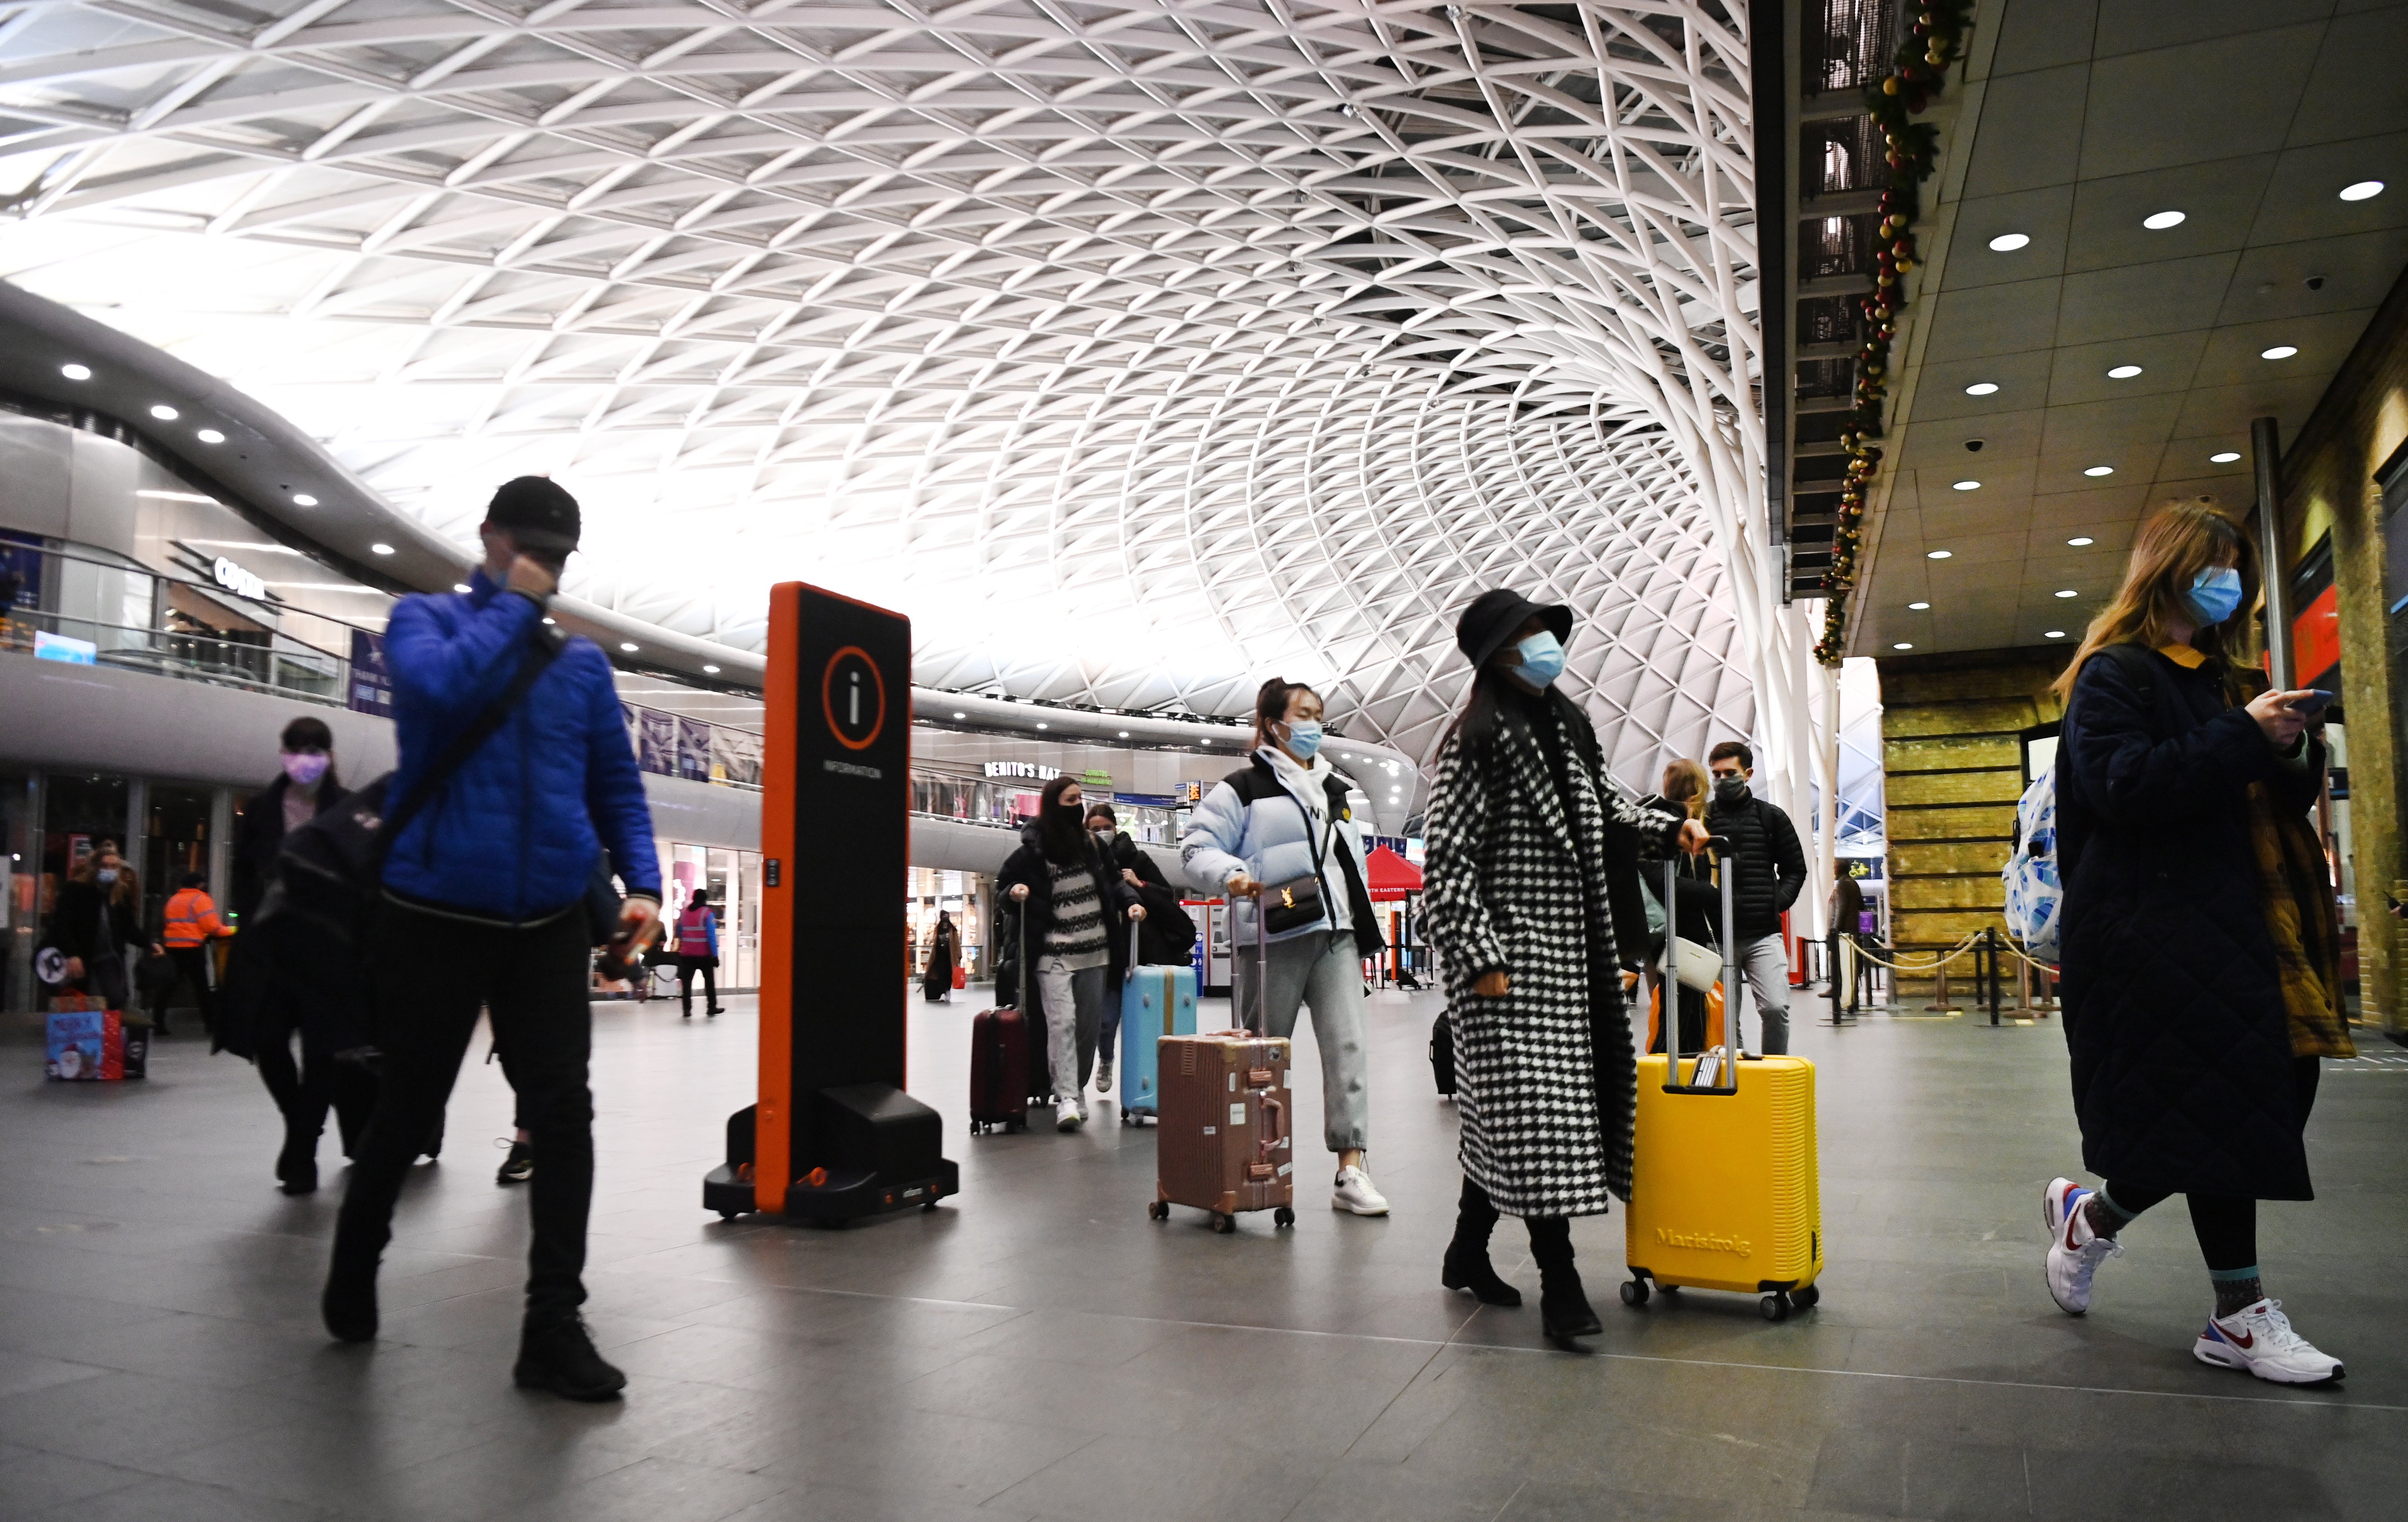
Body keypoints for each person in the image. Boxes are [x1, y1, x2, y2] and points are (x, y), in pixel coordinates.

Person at [323, 475, 661, 1404]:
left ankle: (552, 1322)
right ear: (491, 537)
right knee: (407, 1108)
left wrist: (642, 883)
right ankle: (356, 1263)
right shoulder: (423, 622)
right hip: (433, 910)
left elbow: (616, 787)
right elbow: (435, 696)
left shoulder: (582, 668)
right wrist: (512, 604)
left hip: (548, 918)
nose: (544, 568)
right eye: (530, 549)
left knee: (564, 1115)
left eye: (555, 558)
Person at [2041, 501, 2348, 1385]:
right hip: (2157, 931)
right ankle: (2238, 1312)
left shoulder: (2224, 675)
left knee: (2264, 1092)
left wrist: (2288, 747)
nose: (2229, 583)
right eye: (2215, 566)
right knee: (2229, 1101)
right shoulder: (2115, 675)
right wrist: (2240, 734)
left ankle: (2091, 1217)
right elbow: (2122, 784)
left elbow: (2272, 794)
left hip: (2254, 920)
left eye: (2237, 569)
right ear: (2168, 569)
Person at [1421, 590, 1709, 1346]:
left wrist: (1671, 824)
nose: (1543, 642)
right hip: (1507, 965)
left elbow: (1609, 803)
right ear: (1495, 654)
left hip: (1571, 959)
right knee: (1538, 1117)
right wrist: (1479, 957)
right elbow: (1446, 860)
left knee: (1518, 1122)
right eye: (1524, 634)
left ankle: (1463, 1252)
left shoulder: (1565, 726)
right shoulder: (1474, 740)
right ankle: (1561, 1282)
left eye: (1542, 629)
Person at [1183, 679, 1391, 1215]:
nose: (1313, 724)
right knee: (1260, 1057)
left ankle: (1350, 1169)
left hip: (1335, 934)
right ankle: (1247, 1163)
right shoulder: (1242, 788)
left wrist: (1358, 922)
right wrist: (1231, 873)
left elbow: (1350, 866)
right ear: (1272, 723)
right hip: (1273, 935)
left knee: (1347, 1051)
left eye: (1319, 714)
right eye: (1303, 714)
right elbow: (1195, 848)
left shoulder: (1335, 790)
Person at [229, 717, 368, 1194]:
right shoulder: (261, 811)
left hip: (328, 952)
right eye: (298, 747)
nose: (306, 757)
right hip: (272, 949)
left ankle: (303, 1152)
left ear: (329, 755)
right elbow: (243, 880)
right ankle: (300, 1128)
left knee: (321, 1054)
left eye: (316, 748)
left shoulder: (348, 809)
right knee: (267, 1041)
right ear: (283, 751)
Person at [998, 775, 1144, 1132]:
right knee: (1061, 1023)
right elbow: (1004, 885)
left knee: (1087, 1028)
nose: (1077, 804)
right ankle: (1066, 1097)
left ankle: (1076, 1087)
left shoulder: (1092, 845)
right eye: (1070, 799)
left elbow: (1114, 882)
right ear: (1053, 804)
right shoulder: (1033, 851)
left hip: (1095, 951)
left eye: (1080, 798)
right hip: (1052, 954)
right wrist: (1015, 892)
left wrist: (1132, 903)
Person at [1702, 740, 1808, 1055]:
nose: (1721, 780)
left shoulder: (1770, 817)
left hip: (1762, 932)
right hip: (1716, 937)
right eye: (1716, 774)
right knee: (1723, 1016)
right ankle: (1733, 1077)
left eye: (1729, 773)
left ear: (1747, 773)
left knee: (1776, 1008)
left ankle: (1773, 1070)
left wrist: (1774, 903)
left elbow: (1795, 869)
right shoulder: (1703, 819)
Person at [1086, 803, 1197, 1093]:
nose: (1101, 833)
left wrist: (1139, 883)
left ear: (1115, 827)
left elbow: (1165, 894)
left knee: (1147, 1021)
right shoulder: (1087, 862)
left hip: (1143, 955)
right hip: (1106, 954)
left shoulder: (1137, 857)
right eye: (1095, 829)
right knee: (1107, 1021)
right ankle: (1106, 1060)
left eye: (1105, 827)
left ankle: (1149, 1077)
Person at [1636, 758, 1719, 1054]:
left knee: (1675, 1004)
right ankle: (1676, 1066)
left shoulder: (1649, 816)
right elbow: (1661, 879)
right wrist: (1712, 895)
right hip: (1674, 927)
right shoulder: (1670, 823)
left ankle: (1674, 1062)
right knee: (1683, 1006)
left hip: (1661, 928)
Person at [46, 841, 144, 1012]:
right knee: (86, 998)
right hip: (83, 954)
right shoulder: (76, 889)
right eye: (105, 866)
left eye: (114, 866)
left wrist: (149, 943)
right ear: (95, 867)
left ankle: (107, 1035)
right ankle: (89, 1035)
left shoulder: (119, 892)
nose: (109, 870)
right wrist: (72, 953)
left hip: (109, 956)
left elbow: (128, 927)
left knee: (116, 998)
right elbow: (62, 924)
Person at [158, 871, 233, 1037]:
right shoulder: (200, 899)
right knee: (202, 988)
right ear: (199, 884)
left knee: (168, 987)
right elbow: (212, 927)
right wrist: (233, 930)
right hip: (192, 948)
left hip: (172, 947)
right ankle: (211, 1024)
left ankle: (158, 1023)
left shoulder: (173, 900)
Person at [675, 886, 726, 1019]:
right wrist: (715, 956)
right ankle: (711, 1007)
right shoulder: (707, 914)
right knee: (709, 982)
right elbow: (711, 936)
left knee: (687, 984)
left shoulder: (684, 913)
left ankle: (687, 1010)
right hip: (704, 955)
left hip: (687, 955)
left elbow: (679, 931)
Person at [920, 908, 957, 1004]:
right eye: (944, 916)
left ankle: (947, 990)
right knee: (940, 974)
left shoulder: (952, 929)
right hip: (939, 955)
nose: (946, 917)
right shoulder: (938, 928)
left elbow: (956, 943)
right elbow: (935, 942)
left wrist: (958, 955)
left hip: (949, 956)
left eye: (947, 916)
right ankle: (942, 991)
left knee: (948, 974)